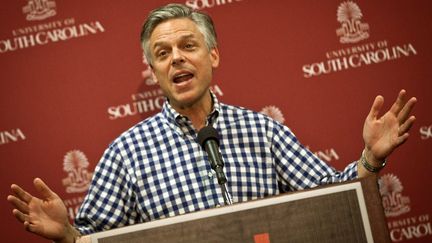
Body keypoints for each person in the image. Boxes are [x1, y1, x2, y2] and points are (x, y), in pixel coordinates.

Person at [7, 3, 417, 243]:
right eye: (162, 53)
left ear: (213, 56)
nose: (177, 59)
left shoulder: (263, 131)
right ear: (153, 71)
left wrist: (370, 158)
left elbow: (335, 200)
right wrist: (67, 235)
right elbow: (95, 240)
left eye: (188, 46)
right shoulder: (127, 154)